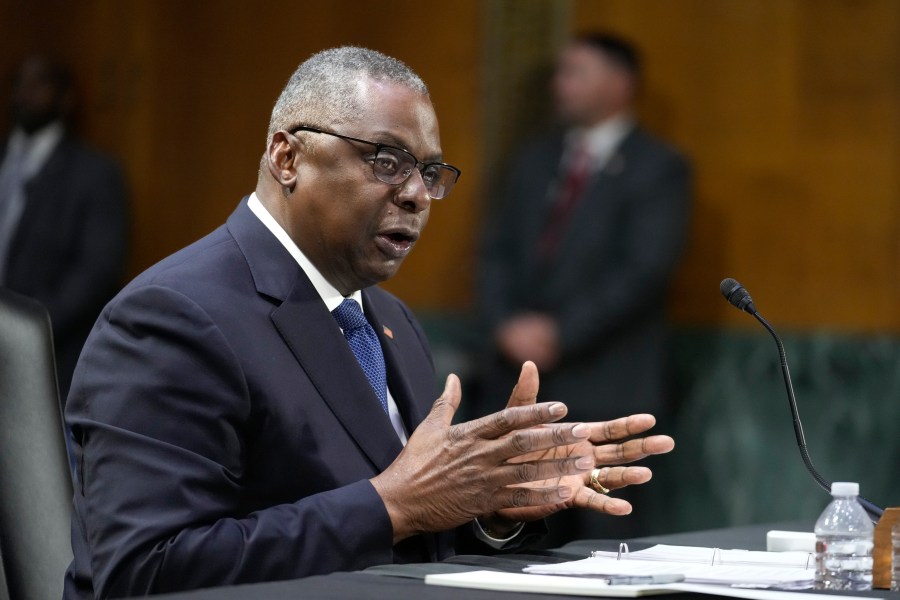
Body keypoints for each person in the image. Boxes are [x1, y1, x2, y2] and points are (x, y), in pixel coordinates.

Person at [64, 47, 674, 599]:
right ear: (288, 156)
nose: (416, 195)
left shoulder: (390, 323)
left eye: (430, 173)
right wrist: (391, 506)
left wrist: (491, 511)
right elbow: (144, 571)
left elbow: (413, 540)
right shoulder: (173, 317)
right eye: (387, 162)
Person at [478, 33, 691, 543]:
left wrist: (558, 334)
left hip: (607, 383)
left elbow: (643, 270)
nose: (560, 84)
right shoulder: (534, 159)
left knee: (604, 536)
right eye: (560, 71)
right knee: (513, 538)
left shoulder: (658, 167)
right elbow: (493, 250)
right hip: (519, 380)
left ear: (620, 85)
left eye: (576, 72)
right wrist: (506, 324)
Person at [0, 55, 129, 400]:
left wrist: (25, 331)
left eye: (37, 84)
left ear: (65, 97)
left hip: (49, 357)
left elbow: (96, 272)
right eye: (18, 83)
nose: (23, 94)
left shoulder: (95, 173)